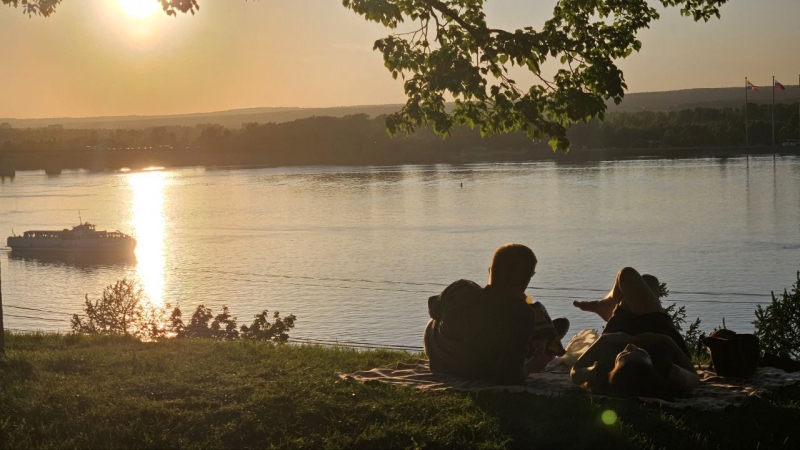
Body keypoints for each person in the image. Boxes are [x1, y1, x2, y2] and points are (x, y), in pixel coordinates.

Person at [424, 244, 569, 385]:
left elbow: (433, 310)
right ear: (527, 279)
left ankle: (533, 336)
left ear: (490, 270)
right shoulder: (521, 313)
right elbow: (508, 377)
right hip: (474, 371)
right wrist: (532, 366)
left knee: (438, 318)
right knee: (515, 331)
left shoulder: (460, 288)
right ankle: (539, 338)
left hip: (439, 361)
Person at [570, 267, 700, 398]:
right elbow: (695, 376)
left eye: (623, 355)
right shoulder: (668, 372)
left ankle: (608, 306)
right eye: (640, 352)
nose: (631, 346)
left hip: (620, 330)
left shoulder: (603, 373)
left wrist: (606, 339)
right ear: (651, 368)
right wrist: (664, 339)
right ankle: (608, 306)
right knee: (649, 281)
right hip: (656, 327)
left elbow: (575, 372)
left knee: (627, 274)